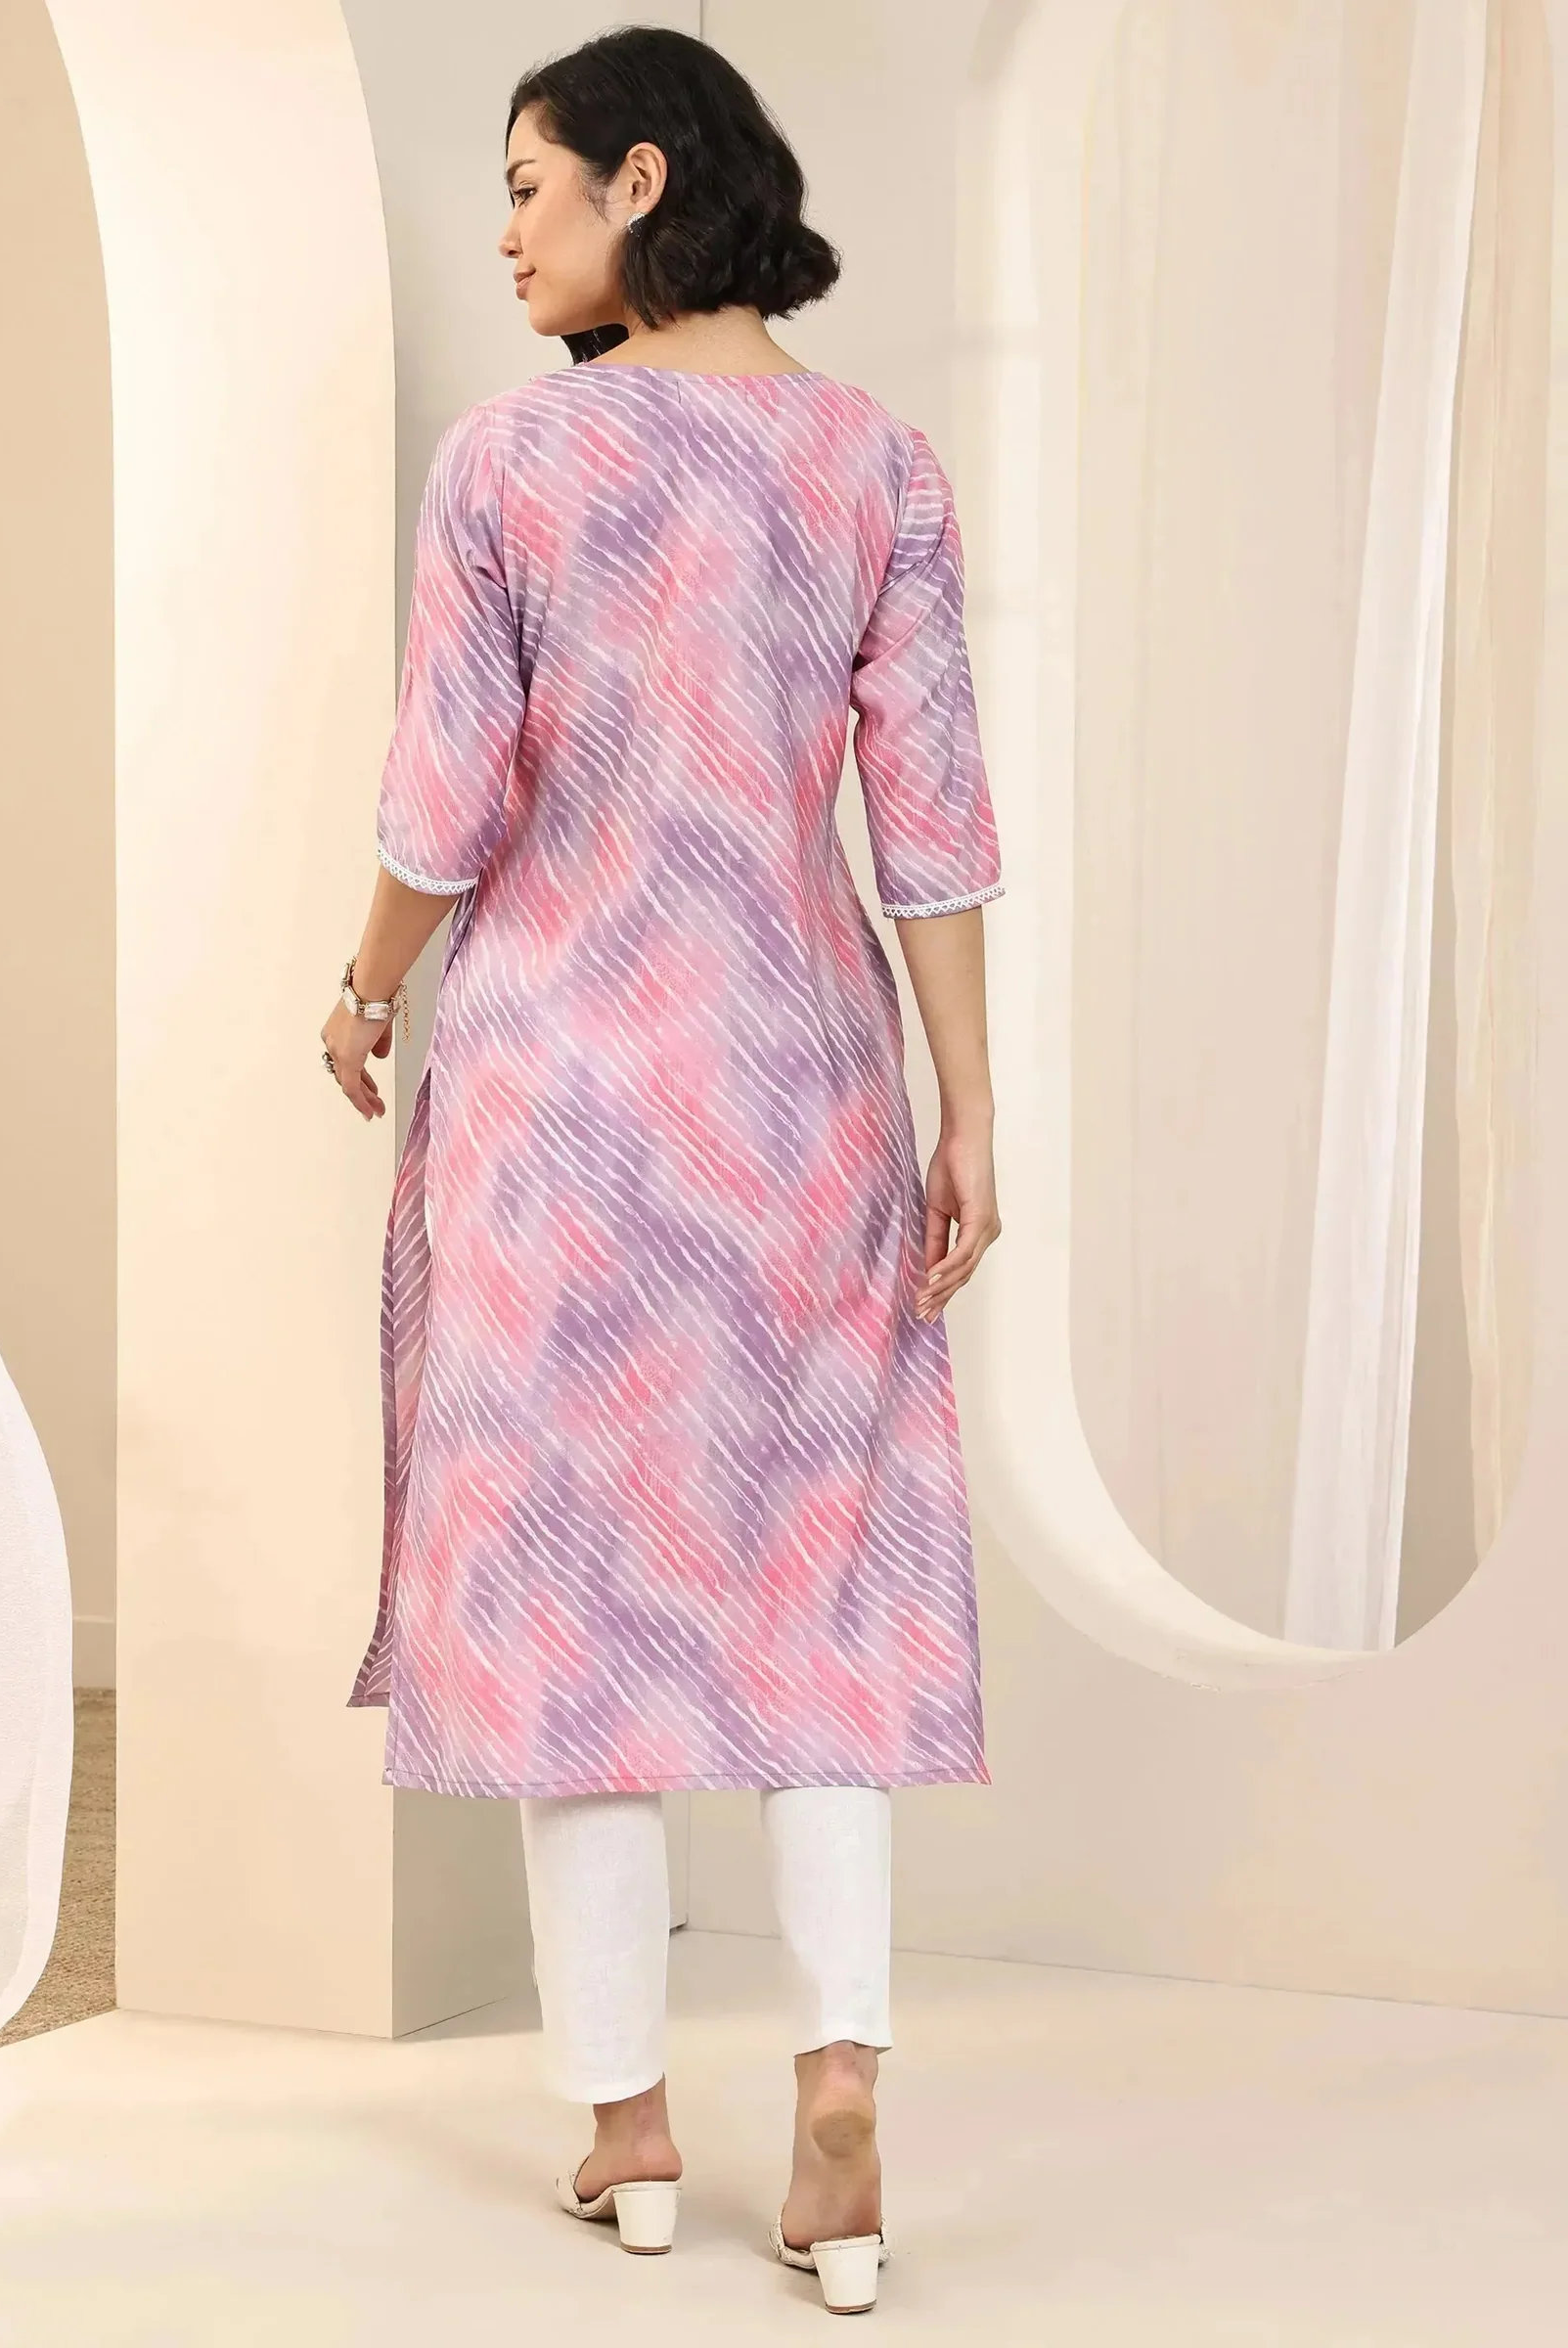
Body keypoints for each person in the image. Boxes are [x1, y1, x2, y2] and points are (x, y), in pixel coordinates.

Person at [322, 24, 1004, 2317]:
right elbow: (934, 831)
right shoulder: (875, 465)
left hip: (565, 1101)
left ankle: (624, 2126)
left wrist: (362, 988)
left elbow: (445, 804)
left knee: (568, 1602)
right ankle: (842, 2086)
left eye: (528, 187)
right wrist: (968, 1109)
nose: (505, 235)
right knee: (824, 1589)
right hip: (803, 1087)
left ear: (639, 175)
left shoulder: (516, 464)